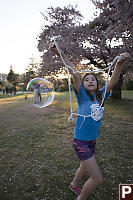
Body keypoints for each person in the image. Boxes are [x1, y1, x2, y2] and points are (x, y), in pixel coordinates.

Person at [51, 45, 130, 200]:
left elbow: (113, 80)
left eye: (93, 79)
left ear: (97, 83)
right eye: (86, 79)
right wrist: (60, 52)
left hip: (92, 140)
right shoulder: (82, 96)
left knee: (83, 167)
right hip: (80, 142)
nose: (90, 80)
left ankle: (74, 185)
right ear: (83, 84)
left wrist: (119, 63)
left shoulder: (101, 96)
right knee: (97, 178)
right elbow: (73, 72)